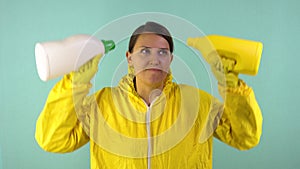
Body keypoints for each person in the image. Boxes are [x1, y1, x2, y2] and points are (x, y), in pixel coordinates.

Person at [35, 21, 263, 169]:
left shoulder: (197, 102)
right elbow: (52, 140)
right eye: (145, 51)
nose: (154, 59)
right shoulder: (101, 104)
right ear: (129, 58)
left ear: (170, 60)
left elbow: (245, 137)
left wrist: (231, 85)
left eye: (162, 52)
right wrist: (76, 83)